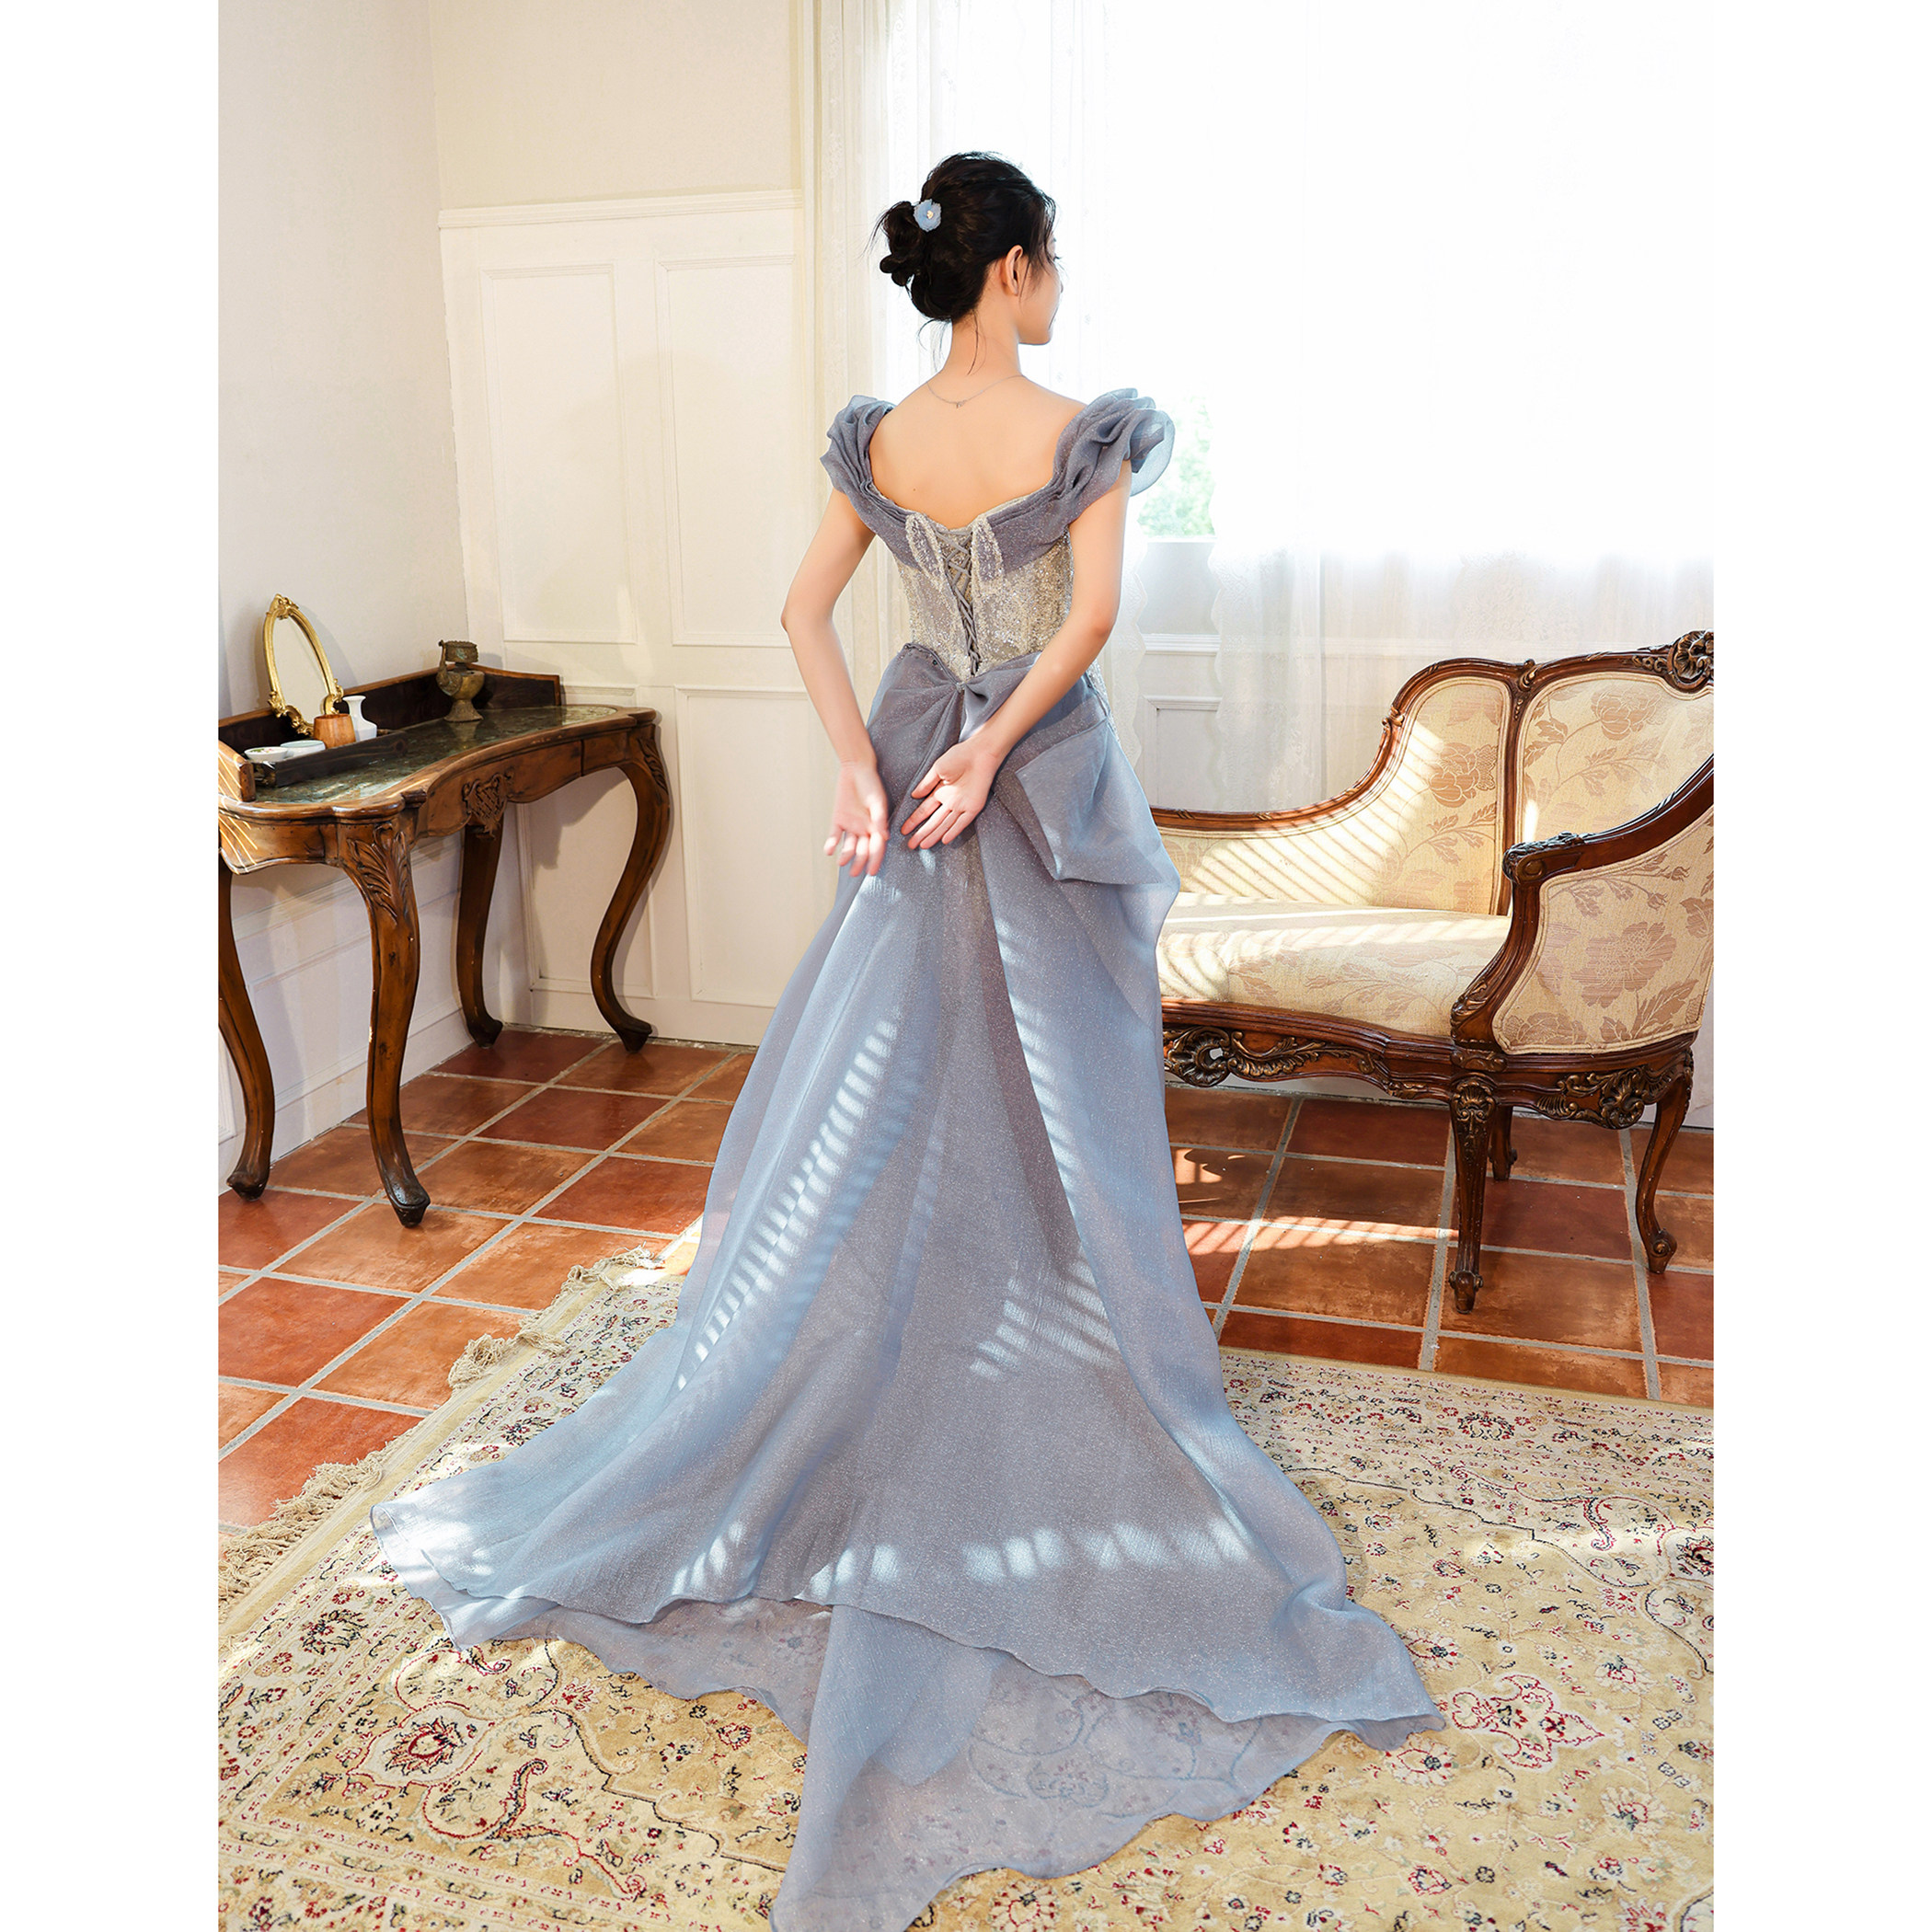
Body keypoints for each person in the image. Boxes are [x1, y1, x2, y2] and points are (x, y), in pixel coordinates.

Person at [371, 150, 1443, 1932]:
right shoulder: (1083, 429)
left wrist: (870, 770)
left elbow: (802, 616)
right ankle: (1043, 1361)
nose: (1059, 289)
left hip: (916, 767)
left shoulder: (879, 438)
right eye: (1053, 262)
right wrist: (990, 746)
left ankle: (930, 1345)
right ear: (1012, 267)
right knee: (1063, 1097)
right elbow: (1088, 623)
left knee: (906, 1085)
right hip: (1025, 778)